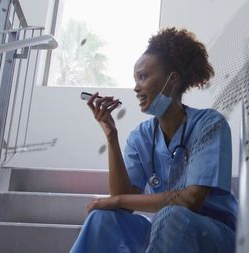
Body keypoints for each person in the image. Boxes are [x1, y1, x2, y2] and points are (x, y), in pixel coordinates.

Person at [70, 27, 237, 253]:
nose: (136, 88)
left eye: (143, 76)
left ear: (172, 80)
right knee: (102, 217)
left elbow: (191, 200)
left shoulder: (209, 124)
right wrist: (111, 135)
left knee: (171, 216)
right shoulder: (141, 136)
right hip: (165, 233)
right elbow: (123, 199)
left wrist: (118, 201)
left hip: (213, 236)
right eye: (135, 79)